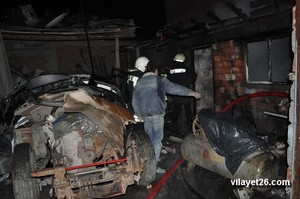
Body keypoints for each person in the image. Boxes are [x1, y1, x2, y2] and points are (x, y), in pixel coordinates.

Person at [132, 61, 201, 174]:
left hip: (146, 117)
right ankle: (153, 167)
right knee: (157, 141)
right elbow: (176, 89)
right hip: (157, 115)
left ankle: (149, 161)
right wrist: (192, 93)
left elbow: (135, 101)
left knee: (149, 140)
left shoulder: (140, 82)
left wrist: (139, 114)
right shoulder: (159, 80)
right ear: (155, 70)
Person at [168, 53, 197, 130]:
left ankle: (174, 125)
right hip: (185, 93)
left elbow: (169, 81)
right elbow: (192, 80)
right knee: (188, 110)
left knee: (177, 109)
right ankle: (190, 126)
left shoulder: (172, 70)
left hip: (176, 93)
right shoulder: (187, 69)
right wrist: (195, 75)